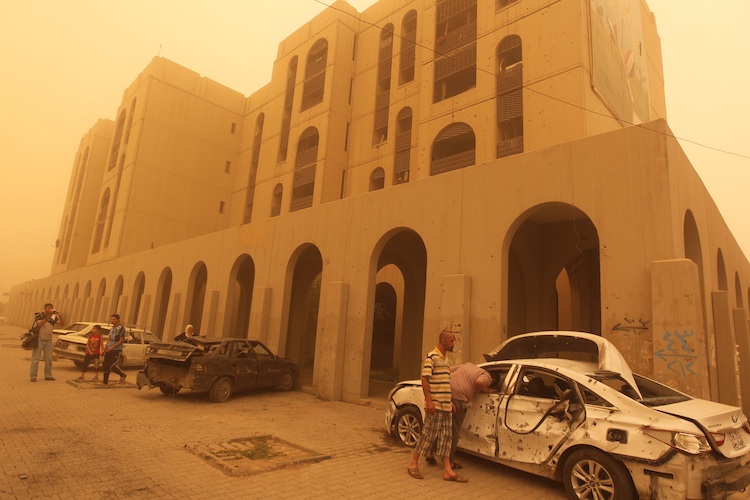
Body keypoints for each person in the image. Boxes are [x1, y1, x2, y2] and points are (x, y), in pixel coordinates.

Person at [406, 328, 467, 483]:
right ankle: (413, 463)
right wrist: (428, 401)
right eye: (452, 341)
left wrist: (450, 402)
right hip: (435, 406)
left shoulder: (446, 360)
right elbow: (425, 379)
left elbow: (446, 384)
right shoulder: (431, 357)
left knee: (446, 438)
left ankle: (447, 470)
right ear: (443, 341)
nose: (454, 344)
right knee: (428, 435)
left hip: (446, 406)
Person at [445, 363, 495, 469]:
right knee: (454, 430)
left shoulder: (468, 365)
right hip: (458, 399)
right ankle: (449, 463)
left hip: (444, 394)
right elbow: (480, 382)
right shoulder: (486, 376)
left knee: (440, 426)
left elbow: (448, 370)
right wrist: (487, 390)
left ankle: (430, 454)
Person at [29, 303, 64, 382]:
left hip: (49, 340)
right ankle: (33, 376)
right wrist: (47, 318)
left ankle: (48, 375)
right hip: (39, 339)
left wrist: (60, 316)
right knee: (36, 359)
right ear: (45, 309)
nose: (50, 309)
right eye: (48, 308)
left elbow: (62, 324)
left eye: (51, 308)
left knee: (48, 359)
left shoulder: (54, 317)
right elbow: (39, 324)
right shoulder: (39, 315)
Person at [102, 314, 127, 385]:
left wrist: (112, 347)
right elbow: (109, 339)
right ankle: (105, 382)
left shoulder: (121, 328)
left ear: (118, 320)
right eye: (111, 319)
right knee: (105, 365)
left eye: (114, 319)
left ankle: (122, 375)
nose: (112, 321)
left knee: (112, 365)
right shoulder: (112, 329)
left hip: (116, 349)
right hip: (109, 349)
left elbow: (121, 340)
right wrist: (104, 349)